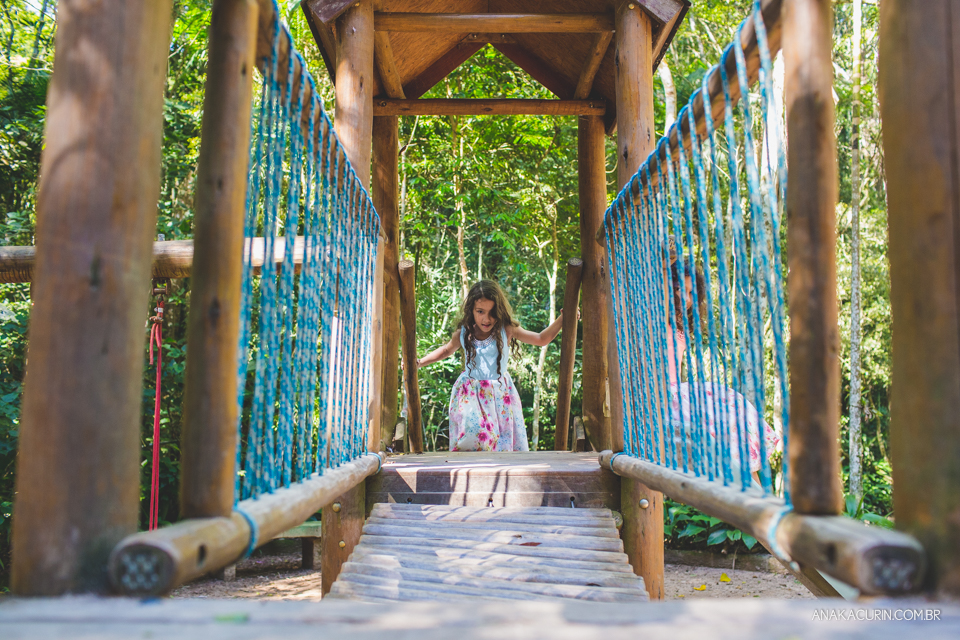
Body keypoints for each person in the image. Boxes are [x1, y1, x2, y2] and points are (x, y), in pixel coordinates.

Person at [665, 254, 781, 485]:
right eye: (680, 289)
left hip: (674, 392)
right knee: (724, 406)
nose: (686, 299)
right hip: (664, 397)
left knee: (732, 403)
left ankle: (756, 493)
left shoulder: (677, 324)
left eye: (691, 293)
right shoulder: (654, 318)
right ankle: (757, 499)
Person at [417, 280, 568, 452]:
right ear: (471, 310)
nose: (486, 318)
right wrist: (419, 363)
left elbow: (541, 339)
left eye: (492, 312)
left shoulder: (506, 329)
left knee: (501, 444)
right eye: (480, 312)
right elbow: (445, 351)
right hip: (471, 395)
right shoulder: (464, 334)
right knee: (473, 436)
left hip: (499, 396)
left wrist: (563, 319)